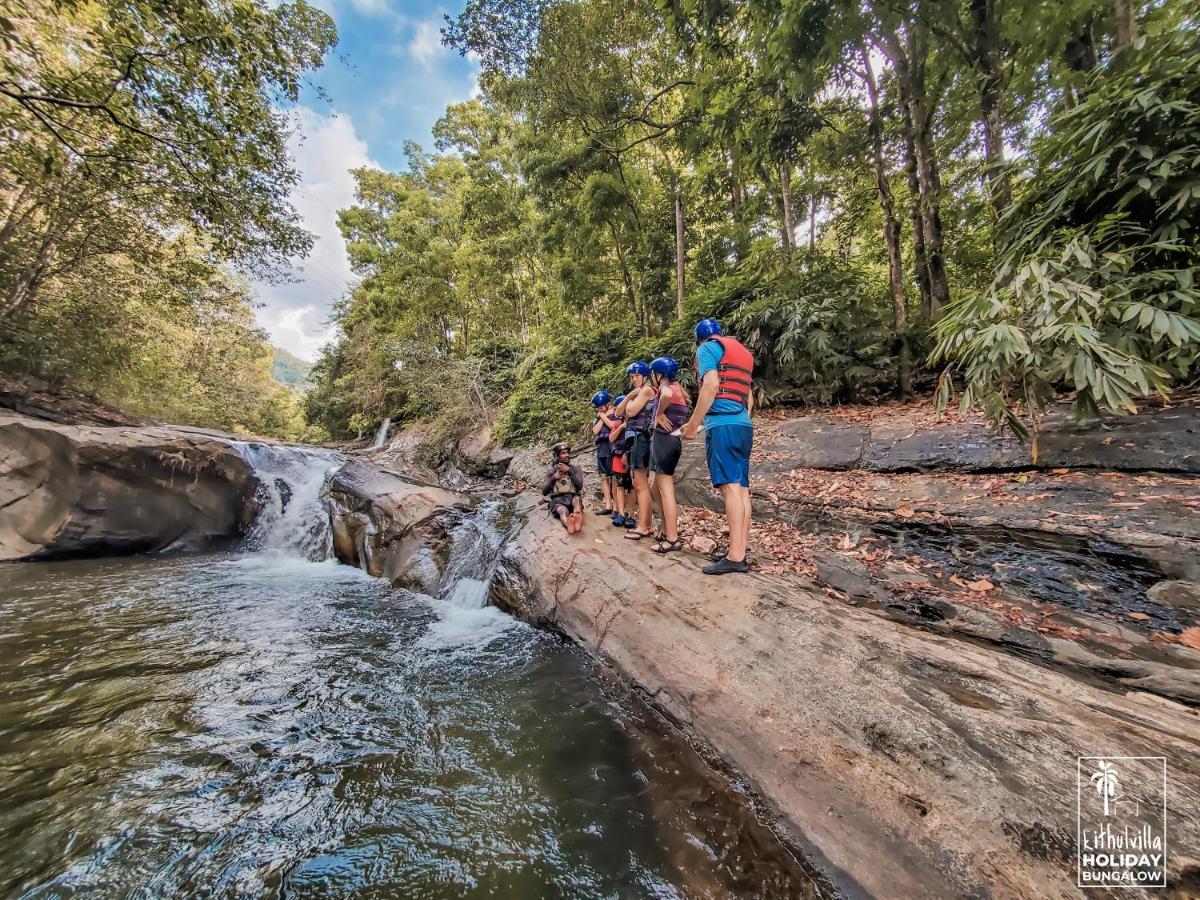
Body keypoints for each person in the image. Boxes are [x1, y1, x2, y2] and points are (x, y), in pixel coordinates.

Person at [680, 318, 754, 575]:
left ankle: (735, 557)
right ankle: (740, 549)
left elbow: (711, 385)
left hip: (722, 426)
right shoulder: (742, 352)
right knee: (742, 488)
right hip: (743, 424)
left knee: (731, 489)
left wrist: (692, 424)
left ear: (699, 339)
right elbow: (749, 396)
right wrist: (741, 419)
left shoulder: (707, 348)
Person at [647, 355, 691, 554]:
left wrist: (658, 414)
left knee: (665, 491)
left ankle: (672, 538)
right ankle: (667, 530)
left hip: (664, 441)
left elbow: (663, 395)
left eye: (654, 374)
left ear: (660, 374)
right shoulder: (679, 390)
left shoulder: (666, 389)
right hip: (672, 441)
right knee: (655, 489)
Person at [617, 361, 656, 541]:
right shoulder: (636, 393)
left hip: (641, 438)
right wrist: (630, 395)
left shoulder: (647, 390)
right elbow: (618, 412)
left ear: (645, 376)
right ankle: (644, 524)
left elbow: (630, 412)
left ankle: (643, 526)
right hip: (634, 440)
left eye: (637, 376)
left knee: (640, 484)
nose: (634, 379)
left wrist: (631, 399)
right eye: (632, 377)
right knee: (638, 483)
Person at [543, 442, 584, 534]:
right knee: (562, 511)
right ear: (557, 456)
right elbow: (544, 492)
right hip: (557, 500)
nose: (567, 455)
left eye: (568, 453)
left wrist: (569, 471)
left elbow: (580, 486)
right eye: (563, 453)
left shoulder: (575, 468)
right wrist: (554, 478)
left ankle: (577, 515)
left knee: (577, 500)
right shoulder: (551, 471)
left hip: (573, 496)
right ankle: (567, 522)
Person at [607, 395, 633, 527]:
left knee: (631, 488)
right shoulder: (617, 423)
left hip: (630, 457)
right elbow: (611, 438)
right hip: (617, 457)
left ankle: (631, 514)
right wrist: (621, 427)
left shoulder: (636, 420)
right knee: (620, 486)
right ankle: (621, 514)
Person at [591, 390, 618, 514]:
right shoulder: (600, 416)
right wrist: (602, 416)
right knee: (604, 478)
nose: (599, 409)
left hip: (611, 449)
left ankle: (616, 506)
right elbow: (595, 431)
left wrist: (603, 416)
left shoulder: (615, 413)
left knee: (613, 478)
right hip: (601, 449)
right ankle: (608, 505)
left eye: (601, 407)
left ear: (608, 403)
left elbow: (613, 425)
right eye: (598, 408)